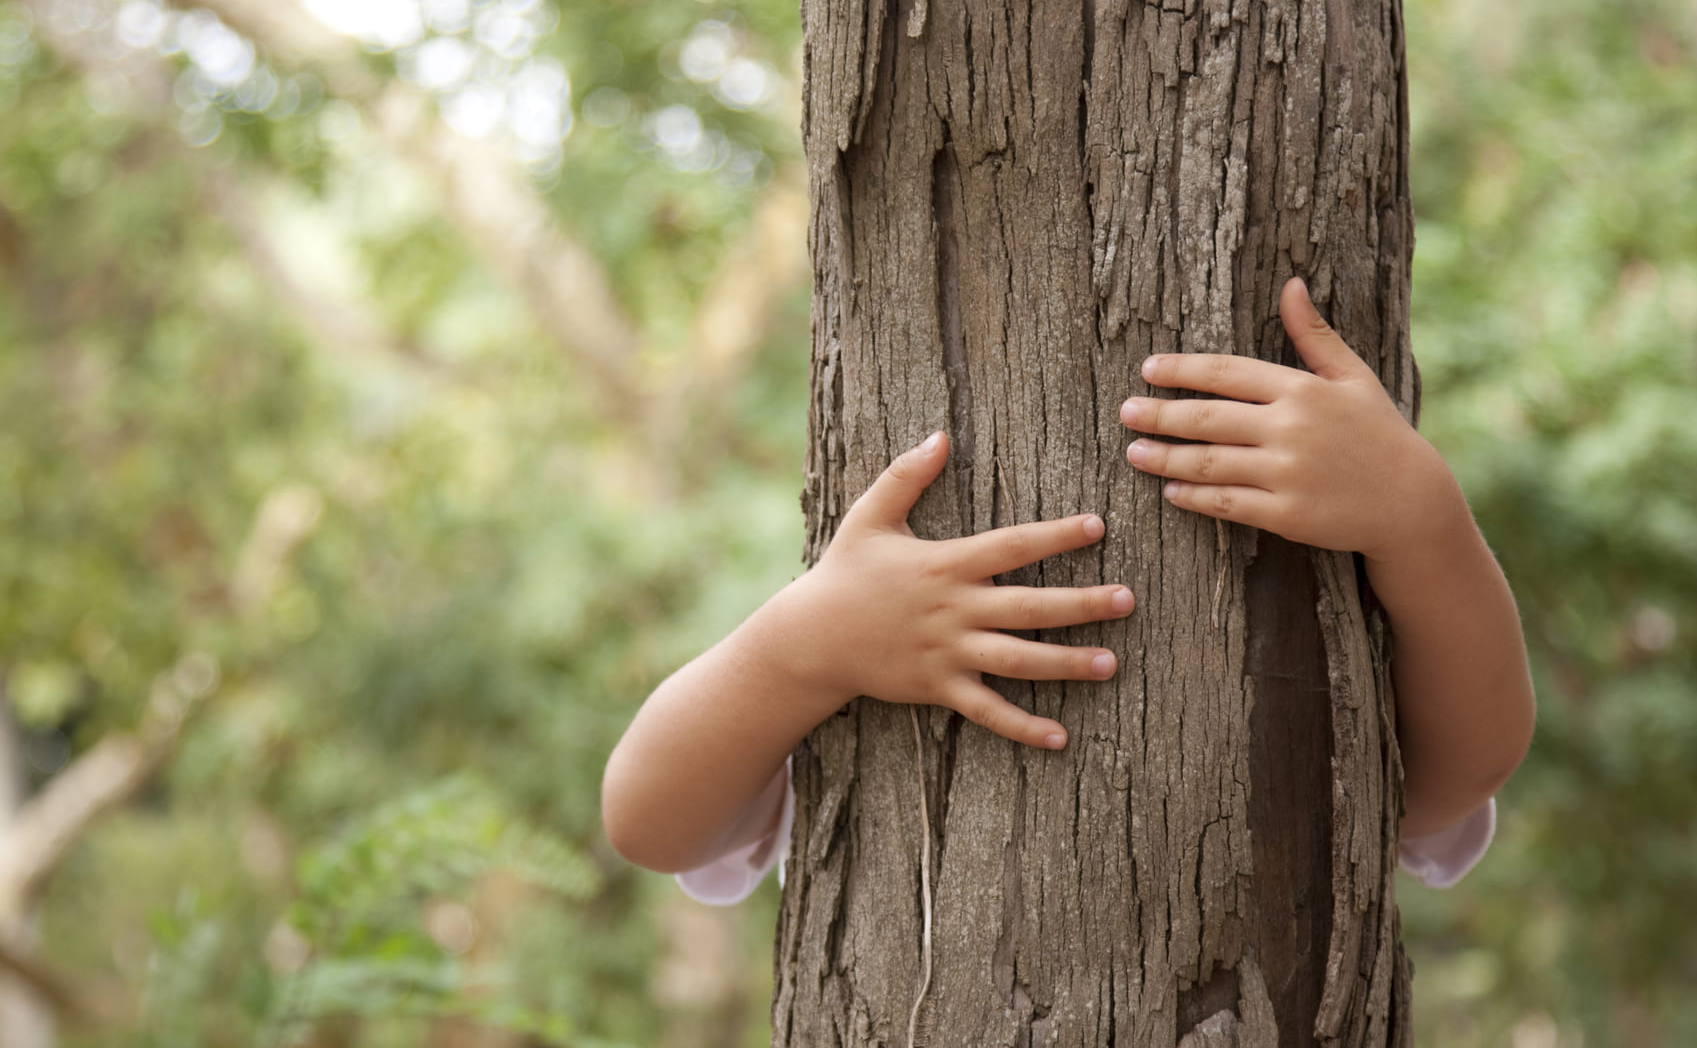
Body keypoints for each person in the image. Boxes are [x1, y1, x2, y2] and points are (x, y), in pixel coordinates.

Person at [601, 277, 1536, 903]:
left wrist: (1421, 520)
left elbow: (1448, 780)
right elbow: (650, 820)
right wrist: (805, 644)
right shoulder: (872, 677)